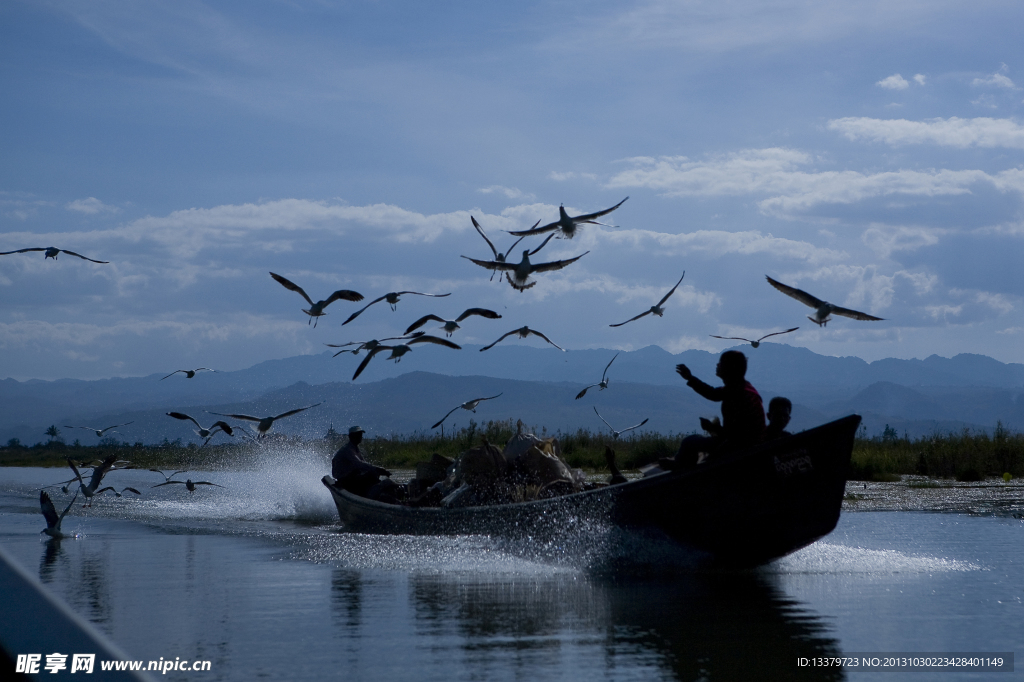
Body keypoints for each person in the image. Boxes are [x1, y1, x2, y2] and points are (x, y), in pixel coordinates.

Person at [670, 350, 765, 468]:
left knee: (689, 442)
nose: (717, 365)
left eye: (721, 363)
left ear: (730, 368)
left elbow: (713, 394)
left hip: (741, 449)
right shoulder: (744, 388)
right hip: (748, 445)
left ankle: (680, 471)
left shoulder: (737, 392)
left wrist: (690, 378)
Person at [331, 426, 393, 498]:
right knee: (370, 475)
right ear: (351, 437)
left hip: (350, 477)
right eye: (357, 435)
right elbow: (360, 464)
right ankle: (371, 495)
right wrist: (378, 469)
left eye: (360, 435)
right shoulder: (347, 449)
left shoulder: (355, 448)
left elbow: (364, 464)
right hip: (344, 480)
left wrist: (377, 471)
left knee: (372, 474)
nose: (360, 437)